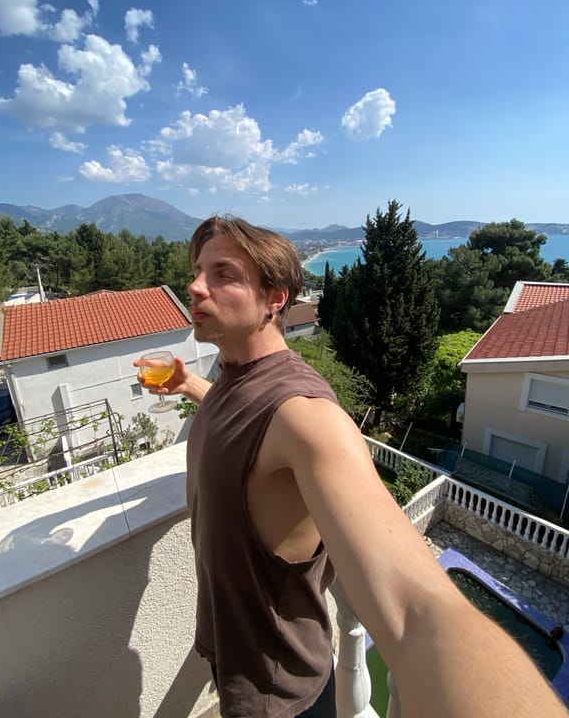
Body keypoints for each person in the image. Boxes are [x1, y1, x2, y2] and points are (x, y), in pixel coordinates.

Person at [136, 215, 566, 718]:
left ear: (276, 299)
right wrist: (191, 386)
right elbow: (244, 427)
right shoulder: (236, 378)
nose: (194, 285)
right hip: (234, 661)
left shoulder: (309, 418)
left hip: (282, 696)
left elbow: (414, 609)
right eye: (197, 270)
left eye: (223, 274)